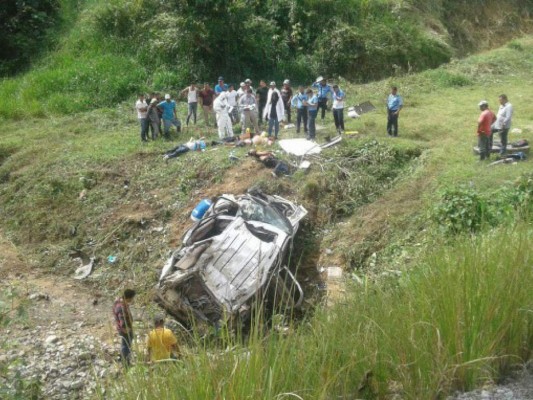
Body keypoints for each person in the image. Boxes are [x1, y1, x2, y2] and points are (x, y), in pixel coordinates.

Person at [113, 289, 136, 366]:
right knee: (126, 345)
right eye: (132, 298)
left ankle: (124, 358)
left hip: (123, 328)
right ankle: (126, 363)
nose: (132, 300)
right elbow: (122, 320)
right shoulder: (121, 307)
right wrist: (126, 329)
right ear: (128, 298)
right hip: (125, 330)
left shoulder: (119, 302)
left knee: (124, 344)